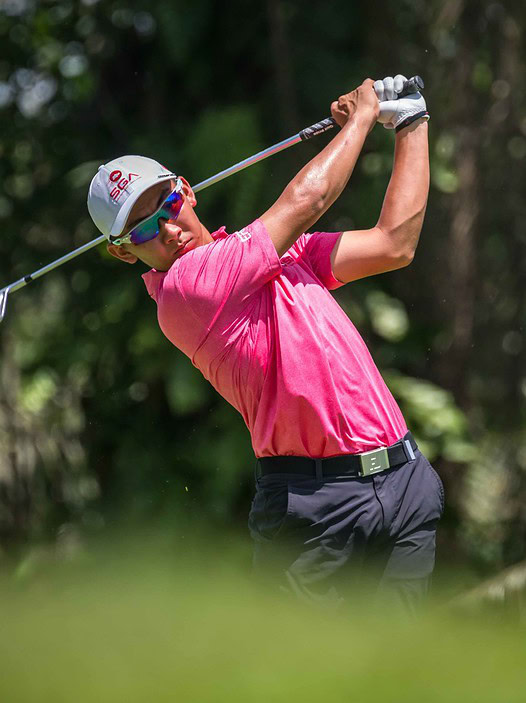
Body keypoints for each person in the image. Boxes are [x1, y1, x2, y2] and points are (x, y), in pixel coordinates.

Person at [87, 75, 442, 612]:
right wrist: (364, 116)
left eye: (168, 203)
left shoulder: (280, 254)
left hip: (405, 479)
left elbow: (393, 244)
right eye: (141, 230)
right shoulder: (184, 291)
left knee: (403, 659)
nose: (168, 229)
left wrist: (412, 121)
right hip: (314, 510)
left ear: (188, 190)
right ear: (121, 252)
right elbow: (309, 198)